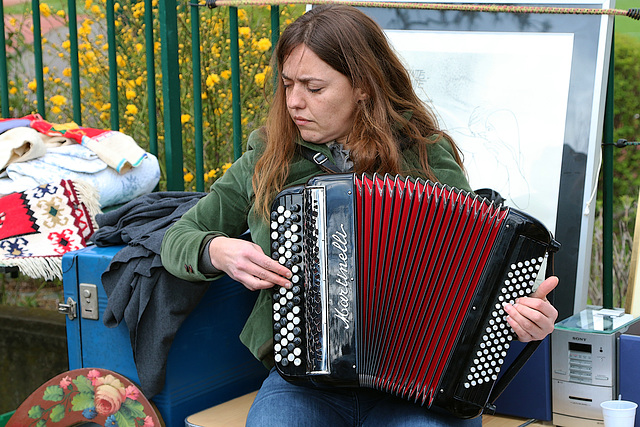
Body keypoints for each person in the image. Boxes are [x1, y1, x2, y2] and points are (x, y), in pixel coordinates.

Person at [161, 5, 559, 426]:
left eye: (314, 88)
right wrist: (218, 250)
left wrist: (522, 317)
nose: (294, 101)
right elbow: (180, 235)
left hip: (420, 390)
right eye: (287, 84)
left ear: (364, 87)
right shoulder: (269, 156)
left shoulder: (424, 155)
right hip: (304, 381)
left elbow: (475, 274)